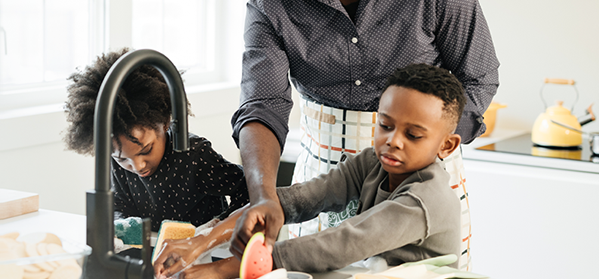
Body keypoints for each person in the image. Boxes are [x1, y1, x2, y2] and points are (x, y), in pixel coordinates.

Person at [230, 0, 499, 271]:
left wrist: (425, 147)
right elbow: (262, 103)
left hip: (419, 184)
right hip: (323, 179)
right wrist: (264, 193)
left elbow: (479, 78)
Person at [155, 63, 465, 276]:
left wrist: (223, 271)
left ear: (446, 146)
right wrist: (202, 240)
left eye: (413, 135)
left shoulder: (426, 200)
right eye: (385, 125)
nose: (393, 141)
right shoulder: (372, 163)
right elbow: (295, 200)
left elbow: (346, 241)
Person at [63, 48, 249, 231]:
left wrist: (215, 228)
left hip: (207, 253)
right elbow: (119, 205)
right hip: (156, 253)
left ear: (165, 122)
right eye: (122, 159)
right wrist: (122, 225)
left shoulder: (194, 155)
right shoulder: (118, 161)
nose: (137, 166)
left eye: (145, 150)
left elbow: (247, 190)